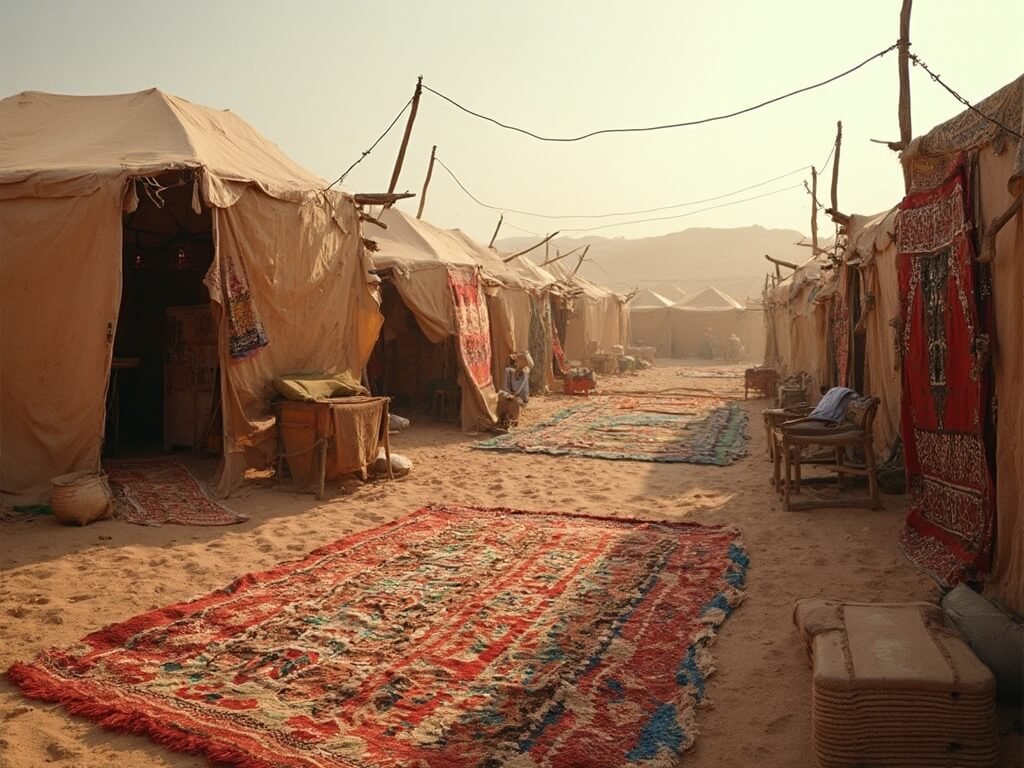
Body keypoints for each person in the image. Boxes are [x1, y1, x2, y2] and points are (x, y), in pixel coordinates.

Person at [497, 352, 531, 430]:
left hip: (521, 396)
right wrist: (508, 393)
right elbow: (505, 386)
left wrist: (514, 395)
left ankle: (512, 419)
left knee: (515, 401)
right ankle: (502, 418)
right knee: (501, 396)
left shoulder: (525, 374)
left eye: (522, 360)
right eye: (519, 360)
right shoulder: (508, 371)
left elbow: (520, 389)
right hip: (510, 393)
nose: (520, 362)